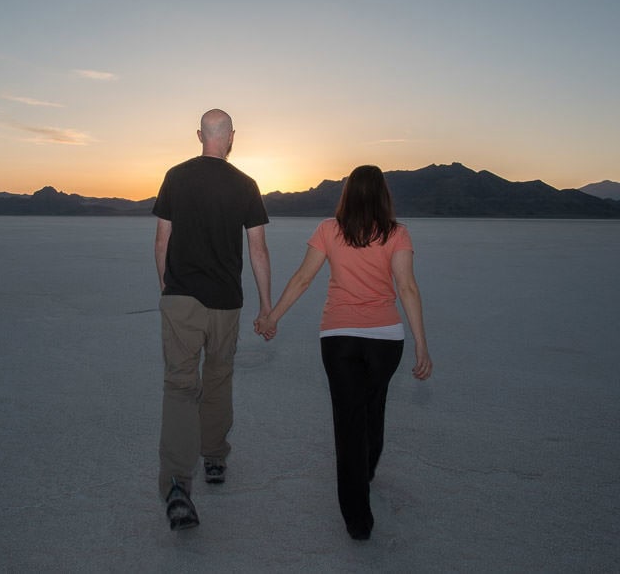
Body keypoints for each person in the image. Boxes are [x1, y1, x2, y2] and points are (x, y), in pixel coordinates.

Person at [255, 164, 432, 541]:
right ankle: (366, 469)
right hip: (386, 339)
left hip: (339, 339)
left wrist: (273, 317)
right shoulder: (398, 234)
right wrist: (421, 343)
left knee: (349, 420)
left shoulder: (328, 230)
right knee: (373, 404)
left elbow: (303, 278)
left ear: (347, 193)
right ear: (383, 194)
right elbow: (408, 288)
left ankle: (357, 517)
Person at [153, 108, 272, 531]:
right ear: (232, 137)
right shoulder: (245, 185)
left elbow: (162, 240)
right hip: (226, 303)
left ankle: (178, 487)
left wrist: (168, 289)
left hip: (181, 298)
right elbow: (258, 250)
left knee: (181, 388)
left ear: (199, 134)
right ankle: (215, 459)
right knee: (219, 378)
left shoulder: (176, 176)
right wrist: (266, 306)